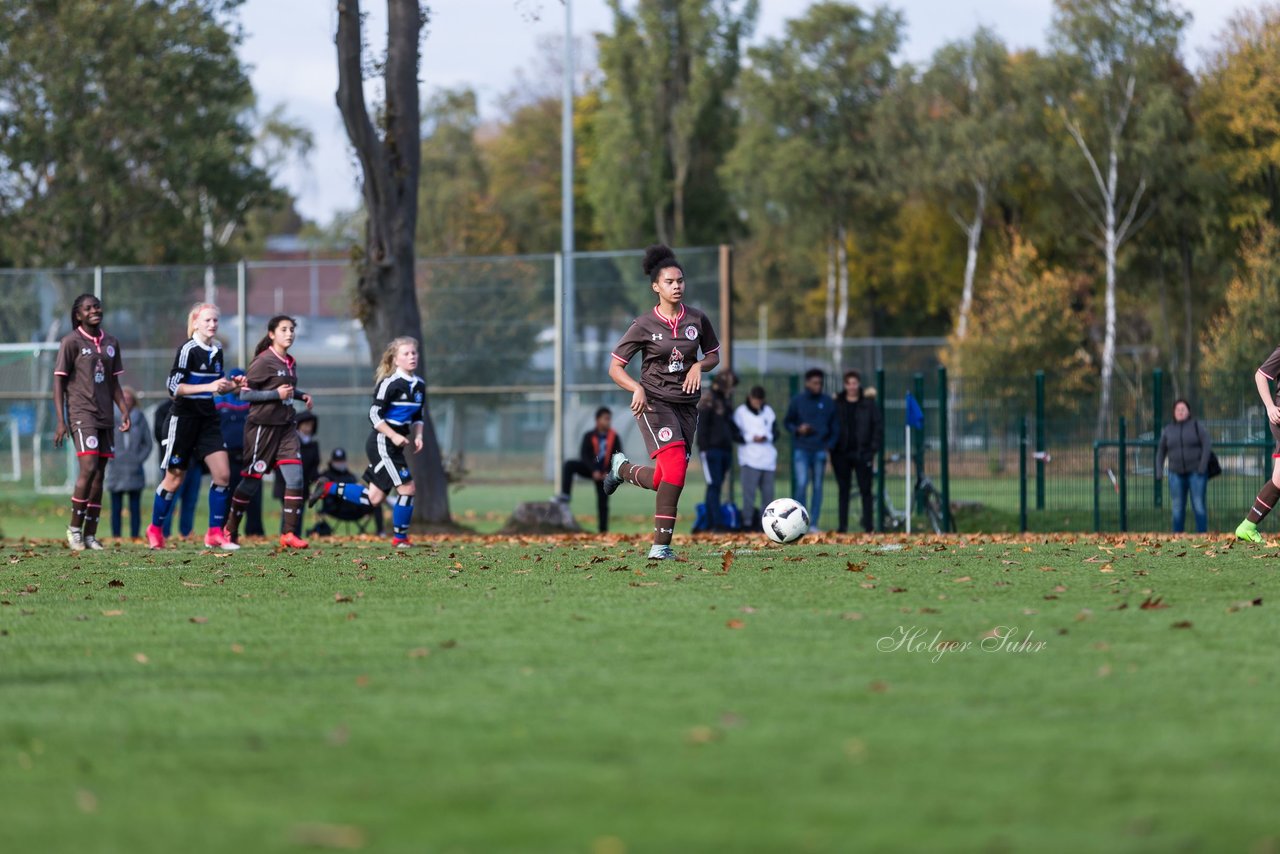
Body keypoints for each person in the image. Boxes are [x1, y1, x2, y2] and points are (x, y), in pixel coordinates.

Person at [602, 244, 721, 560]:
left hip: (686, 407)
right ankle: (660, 546)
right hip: (654, 403)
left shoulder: (697, 318)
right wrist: (635, 389)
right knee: (677, 474)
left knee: (665, 477)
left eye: (680, 280)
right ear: (656, 286)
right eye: (669, 282)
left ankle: (622, 469)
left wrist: (698, 365)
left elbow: (713, 356)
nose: (677, 286)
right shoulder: (643, 324)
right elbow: (615, 367)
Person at [308, 337, 425, 548]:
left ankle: (327, 487)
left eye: (414, 353)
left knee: (374, 498)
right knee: (407, 488)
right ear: (396, 360)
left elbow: (418, 416)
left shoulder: (419, 385)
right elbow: (373, 415)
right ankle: (400, 539)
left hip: (395, 445)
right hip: (382, 442)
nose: (411, 357)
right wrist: (393, 435)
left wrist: (418, 436)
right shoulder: (389, 384)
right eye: (406, 354)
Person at [148, 303, 239, 550]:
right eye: (207, 320)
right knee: (174, 479)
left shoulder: (217, 349)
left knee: (223, 475)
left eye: (215, 321)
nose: (212, 325)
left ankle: (214, 533)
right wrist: (207, 388)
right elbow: (174, 388)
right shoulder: (188, 349)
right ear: (196, 323)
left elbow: (218, 384)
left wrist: (234, 385)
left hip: (207, 419)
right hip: (184, 419)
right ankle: (155, 529)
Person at [221, 315, 313, 550]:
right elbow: (245, 394)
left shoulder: (290, 361)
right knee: (251, 483)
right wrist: (276, 395)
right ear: (272, 334)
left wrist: (301, 395)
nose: (289, 333)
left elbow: (285, 389)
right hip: (262, 429)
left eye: (292, 329)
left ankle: (288, 533)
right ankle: (230, 529)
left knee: (296, 479)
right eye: (284, 329)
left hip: (286, 428)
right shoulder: (263, 361)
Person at [53, 294, 130, 551]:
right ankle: (74, 529)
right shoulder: (71, 342)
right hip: (80, 413)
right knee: (88, 467)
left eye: (97, 306)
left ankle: (90, 535)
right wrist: (60, 421)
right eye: (88, 308)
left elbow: (114, 383)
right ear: (78, 315)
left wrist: (124, 410)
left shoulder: (111, 342)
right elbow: (59, 383)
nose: (95, 310)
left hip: (105, 415)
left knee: (100, 474)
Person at [553, 407, 623, 533]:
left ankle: (603, 531)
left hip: (605, 474)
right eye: (605, 419)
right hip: (591, 470)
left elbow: (618, 455)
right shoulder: (589, 436)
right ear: (598, 420)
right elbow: (584, 455)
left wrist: (607, 472)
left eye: (609, 419)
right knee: (570, 465)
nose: (608, 422)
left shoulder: (614, 437)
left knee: (603, 502)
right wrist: (594, 470)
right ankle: (565, 495)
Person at [784, 368, 836, 533]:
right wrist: (798, 429)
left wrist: (830, 444)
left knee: (818, 486)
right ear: (807, 383)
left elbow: (835, 426)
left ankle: (813, 524)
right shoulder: (797, 400)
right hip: (802, 449)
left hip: (820, 450)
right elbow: (787, 422)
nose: (818, 385)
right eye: (815, 382)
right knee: (801, 484)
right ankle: (799, 522)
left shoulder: (827, 402)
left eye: (820, 383)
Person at [832, 370, 883, 534]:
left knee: (866, 490)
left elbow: (878, 427)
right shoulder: (837, 404)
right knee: (843, 490)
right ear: (845, 385)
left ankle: (869, 526)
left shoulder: (868, 404)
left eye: (855, 383)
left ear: (858, 384)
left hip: (863, 454)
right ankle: (842, 527)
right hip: (841, 454)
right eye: (849, 383)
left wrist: (873, 449)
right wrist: (832, 446)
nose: (852, 386)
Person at [216, 368, 264, 536]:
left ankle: (255, 532)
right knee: (228, 495)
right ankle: (228, 531)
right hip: (228, 456)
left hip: (249, 455)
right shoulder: (220, 402)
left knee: (253, 495)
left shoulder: (252, 401)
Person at [1157, 399, 1211, 534]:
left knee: (1198, 506)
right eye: (1178, 409)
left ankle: (1202, 535)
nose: (1180, 412)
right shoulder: (1168, 430)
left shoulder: (1196, 426)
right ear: (1174, 413)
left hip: (1196, 473)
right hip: (1175, 474)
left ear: (1188, 412)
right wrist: (1159, 470)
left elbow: (1207, 445)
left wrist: (1202, 466)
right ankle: (1177, 536)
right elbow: (1161, 451)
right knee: (1177, 507)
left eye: (1183, 409)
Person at [105, 387, 152, 540]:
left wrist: (138, 459)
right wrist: (110, 456)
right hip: (116, 469)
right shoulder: (111, 417)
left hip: (134, 469)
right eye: (122, 399)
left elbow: (148, 443)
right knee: (116, 506)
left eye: (129, 399)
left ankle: (134, 536)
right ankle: (116, 535)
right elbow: (104, 439)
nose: (126, 402)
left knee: (135, 506)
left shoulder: (140, 418)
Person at [696, 370, 740, 531]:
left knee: (717, 485)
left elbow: (729, 424)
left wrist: (739, 437)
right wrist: (704, 448)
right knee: (713, 485)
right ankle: (715, 523)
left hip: (724, 449)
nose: (733, 389)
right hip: (710, 450)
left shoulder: (725, 401)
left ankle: (711, 522)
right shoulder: (708, 399)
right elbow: (702, 426)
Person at [732, 385, 778, 531]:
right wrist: (751, 438)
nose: (757, 402)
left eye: (760, 400)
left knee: (768, 495)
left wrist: (767, 436)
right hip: (749, 459)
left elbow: (776, 432)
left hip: (768, 460)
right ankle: (747, 523)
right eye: (755, 399)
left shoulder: (768, 412)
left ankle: (765, 525)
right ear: (750, 398)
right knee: (749, 495)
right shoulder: (741, 412)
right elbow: (735, 434)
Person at [309, 447, 384, 536]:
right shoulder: (327, 474)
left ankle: (381, 532)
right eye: (337, 461)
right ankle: (327, 487)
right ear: (332, 461)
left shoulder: (350, 475)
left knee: (376, 501)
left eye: (341, 461)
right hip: (336, 508)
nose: (340, 464)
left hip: (354, 508)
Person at [275, 410, 320, 535]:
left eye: (310, 425)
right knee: (288, 512)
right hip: (286, 485)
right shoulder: (290, 443)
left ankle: (296, 536)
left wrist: (315, 480)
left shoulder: (313, 445)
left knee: (299, 513)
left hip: (303, 486)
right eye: (305, 425)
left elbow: (314, 466)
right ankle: (286, 535)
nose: (308, 428)